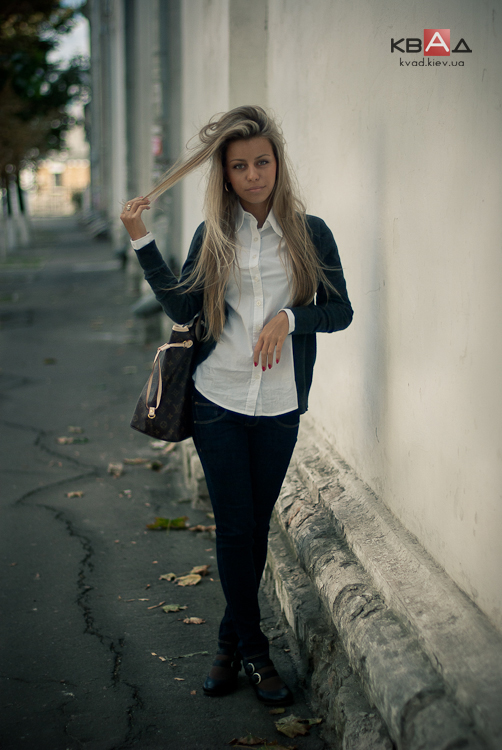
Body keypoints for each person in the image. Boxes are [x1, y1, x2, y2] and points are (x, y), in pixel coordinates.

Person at [120, 105, 353, 706]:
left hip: (279, 404)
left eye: (262, 162)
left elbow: (340, 312)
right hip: (217, 398)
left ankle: (227, 647)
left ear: (278, 165)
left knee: (254, 529)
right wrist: (141, 238)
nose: (253, 175)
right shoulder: (214, 235)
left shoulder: (311, 233)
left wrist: (290, 318)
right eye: (240, 166)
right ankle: (255, 652)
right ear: (224, 174)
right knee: (235, 526)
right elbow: (182, 307)